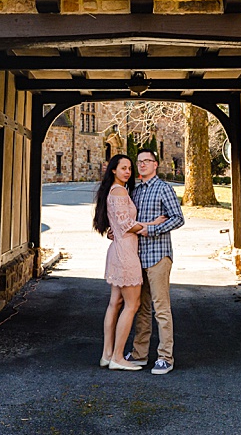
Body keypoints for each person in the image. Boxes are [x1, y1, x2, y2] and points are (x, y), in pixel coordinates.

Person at [126, 148, 184, 375]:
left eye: (147, 161)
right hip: (137, 257)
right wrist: (144, 225)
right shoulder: (136, 191)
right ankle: (140, 354)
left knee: (161, 309)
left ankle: (165, 357)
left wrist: (152, 229)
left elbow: (178, 218)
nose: (142, 165)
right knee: (141, 308)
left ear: (155, 164)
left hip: (159, 256)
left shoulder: (164, 188)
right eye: (139, 162)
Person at [93, 154, 150, 370]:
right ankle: (118, 357)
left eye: (129, 168)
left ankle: (107, 354)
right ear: (113, 170)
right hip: (125, 252)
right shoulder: (118, 191)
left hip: (118, 249)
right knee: (132, 304)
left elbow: (118, 223)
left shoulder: (115, 190)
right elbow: (126, 224)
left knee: (115, 303)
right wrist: (151, 224)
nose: (127, 171)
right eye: (123, 168)